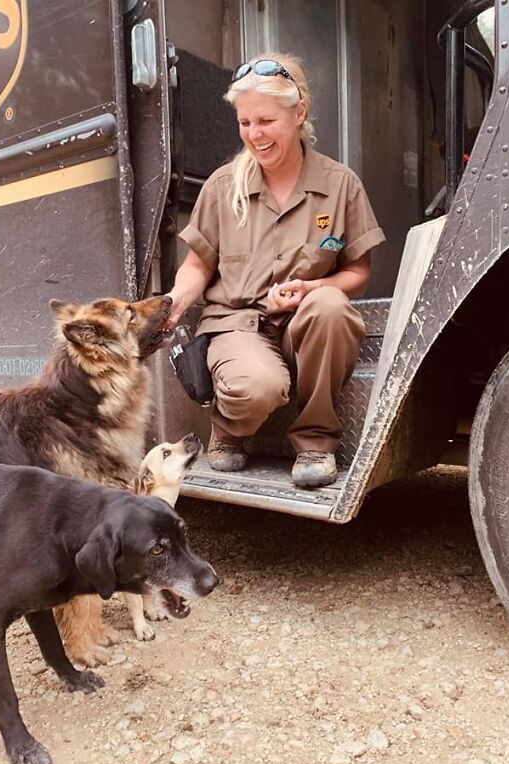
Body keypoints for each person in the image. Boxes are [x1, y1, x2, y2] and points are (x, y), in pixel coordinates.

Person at [166, 53, 385, 488]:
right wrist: (172, 305)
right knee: (258, 388)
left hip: (301, 325)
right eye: (245, 123)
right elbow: (197, 264)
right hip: (236, 325)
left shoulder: (341, 185)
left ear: (298, 112)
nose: (254, 135)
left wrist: (315, 286)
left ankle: (316, 440)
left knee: (331, 307)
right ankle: (228, 429)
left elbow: (358, 269)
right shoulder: (223, 186)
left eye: (265, 121)